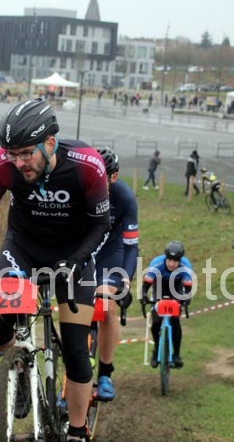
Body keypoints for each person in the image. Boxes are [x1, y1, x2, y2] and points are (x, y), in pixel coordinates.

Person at [0, 98, 110, 441]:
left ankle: (77, 430)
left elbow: (101, 225)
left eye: (25, 154)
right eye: (11, 154)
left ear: (49, 143)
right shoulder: (2, 166)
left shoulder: (87, 165)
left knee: (77, 350)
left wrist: (77, 261)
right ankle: (20, 368)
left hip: (73, 254)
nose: (18, 163)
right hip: (23, 249)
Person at [93, 147, 137, 402]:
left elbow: (131, 246)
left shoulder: (124, 197)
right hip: (83, 251)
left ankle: (105, 373)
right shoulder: (80, 188)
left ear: (114, 177)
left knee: (107, 307)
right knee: (73, 308)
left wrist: (126, 279)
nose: (95, 180)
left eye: (102, 176)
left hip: (111, 251)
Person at [141, 241, 193, 369]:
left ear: (180, 260)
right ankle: (156, 350)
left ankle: (176, 355)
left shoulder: (185, 265)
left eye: (175, 261)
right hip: (159, 288)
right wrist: (144, 297)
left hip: (176, 288)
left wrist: (186, 299)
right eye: (169, 260)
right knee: (156, 321)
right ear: (165, 258)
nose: (172, 264)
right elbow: (145, 286)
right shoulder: (156, 264)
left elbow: (188, 289)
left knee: (175, 320)